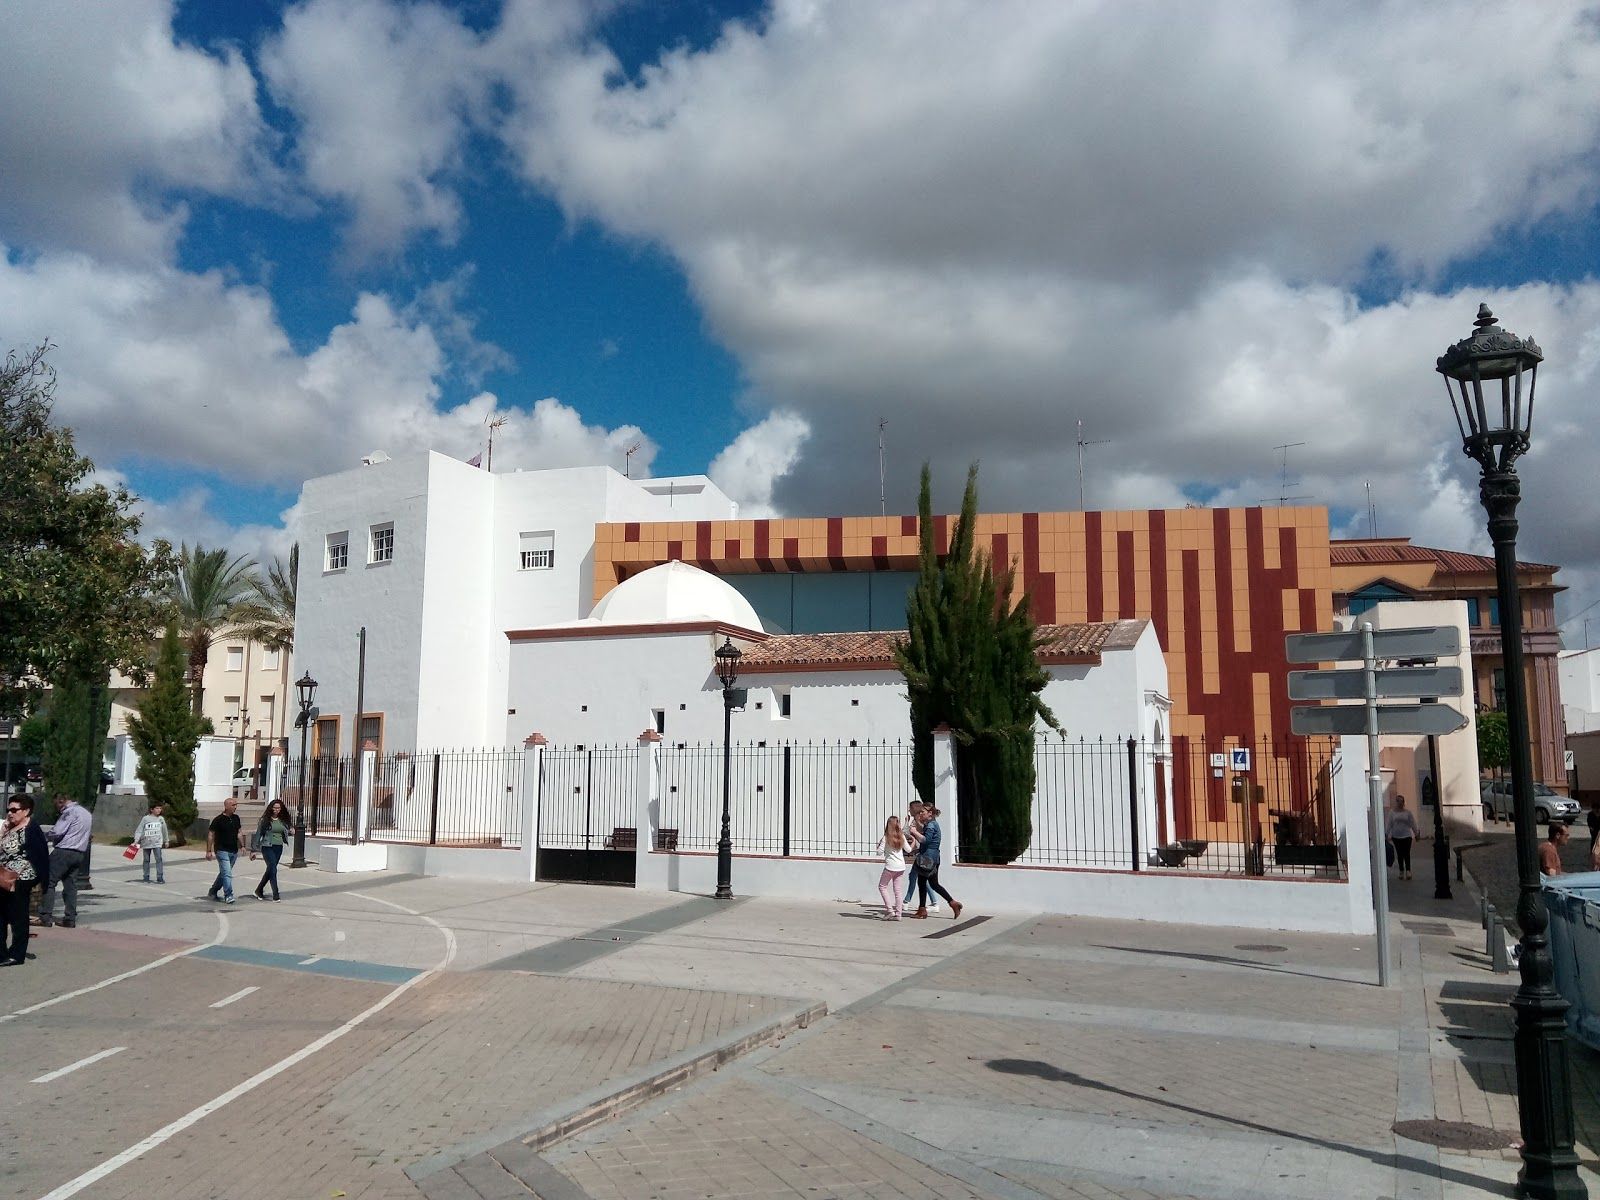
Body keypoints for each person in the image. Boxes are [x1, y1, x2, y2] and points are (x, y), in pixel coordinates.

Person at [0, 794, 51, 965]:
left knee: (18, 916)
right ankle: (2, 953)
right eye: (8, 809)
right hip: (4, 877)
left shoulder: (31, 829)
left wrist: (41, 881)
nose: (10, 813)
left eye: (14, 810)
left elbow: (41, 856)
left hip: (21, 879)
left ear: (26, 811)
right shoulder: (9, 827)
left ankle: (17, 954)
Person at [36, 793, 92, 928]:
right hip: (78, 853)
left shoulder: (69, 812)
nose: (57, 809)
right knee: (71, 886)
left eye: (57, 805)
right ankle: (70, 918)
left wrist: (43, 836)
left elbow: (57, 831)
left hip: (63, 852)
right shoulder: (86, 813)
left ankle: (45, 916)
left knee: (48, 882)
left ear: (61, 801)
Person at [911, 805, 963, 921]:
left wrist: (914, 832)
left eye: (922, 812)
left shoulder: (931, 825)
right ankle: (952, 903)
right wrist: (917, 822)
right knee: (933, 884)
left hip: (928, 859)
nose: (921, 814)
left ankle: (922, 909)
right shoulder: (931, 824)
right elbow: (926, 835)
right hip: (932, 858)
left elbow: (926, 840)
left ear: (930, 813)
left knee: (922, 883)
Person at [251, 799, 292, 901]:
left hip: (279, 847)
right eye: (275, 808)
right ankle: (276, 894)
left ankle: (259, 890)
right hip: (267, 846)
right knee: (273, 869)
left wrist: (291, 830)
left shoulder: (283, 820)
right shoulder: (265, 820)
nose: (276, 810)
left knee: (270, 870)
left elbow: (287, 830)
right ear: (271, 808)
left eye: (278, 808)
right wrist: (253, 850)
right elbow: (258, 834)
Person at [206, 796, 243, 904]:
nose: (235, 807)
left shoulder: (236, 818)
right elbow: (211, 834)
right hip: (222, 850)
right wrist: (209, 850)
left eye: (236, 805)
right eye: (233, 805)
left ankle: (213, 890)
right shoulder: (218, 820)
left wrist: (242, 845)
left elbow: (239, 832)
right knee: (227, 874)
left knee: (224, 873)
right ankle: (228, 895)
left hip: (233, 851)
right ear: (226, 806)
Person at [876, 815, 908, 920]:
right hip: (901, 866)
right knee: (898, 891)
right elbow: (908, 850)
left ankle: (890, 910)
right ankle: (899, 914)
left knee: (882, 886)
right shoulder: (901, 836)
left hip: (890, 866)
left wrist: (879, 845)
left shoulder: (886, 837)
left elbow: (879, 853)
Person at [132, 801, 170, 884]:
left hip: (157, 843)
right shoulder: (145, 819)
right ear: (152, 809)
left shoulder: (161, 819)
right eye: (157, 808)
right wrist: (136, 840)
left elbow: (164, 830)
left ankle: (160, 877)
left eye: (160, 808)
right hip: (146, 843)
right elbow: (139, 830)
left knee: (159, 859)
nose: (159, 810)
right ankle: (146, 876)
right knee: (146, 860)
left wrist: (166, 841)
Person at [1386, 795, 1422, 880]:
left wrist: (1416, 833)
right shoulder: (1392, 813)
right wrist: (1386, 834)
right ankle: (1401, 871)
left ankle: (1408, 871)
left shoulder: (1408, 813)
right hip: (1396, 836)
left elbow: (1412, 823)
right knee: (1399, 854)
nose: (1400, 803)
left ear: (1404, 802)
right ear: (1396, 802)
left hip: (1406, 836)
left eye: (1402, 801)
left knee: (1406, 853)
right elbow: (1389, 824)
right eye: (1398, 801)